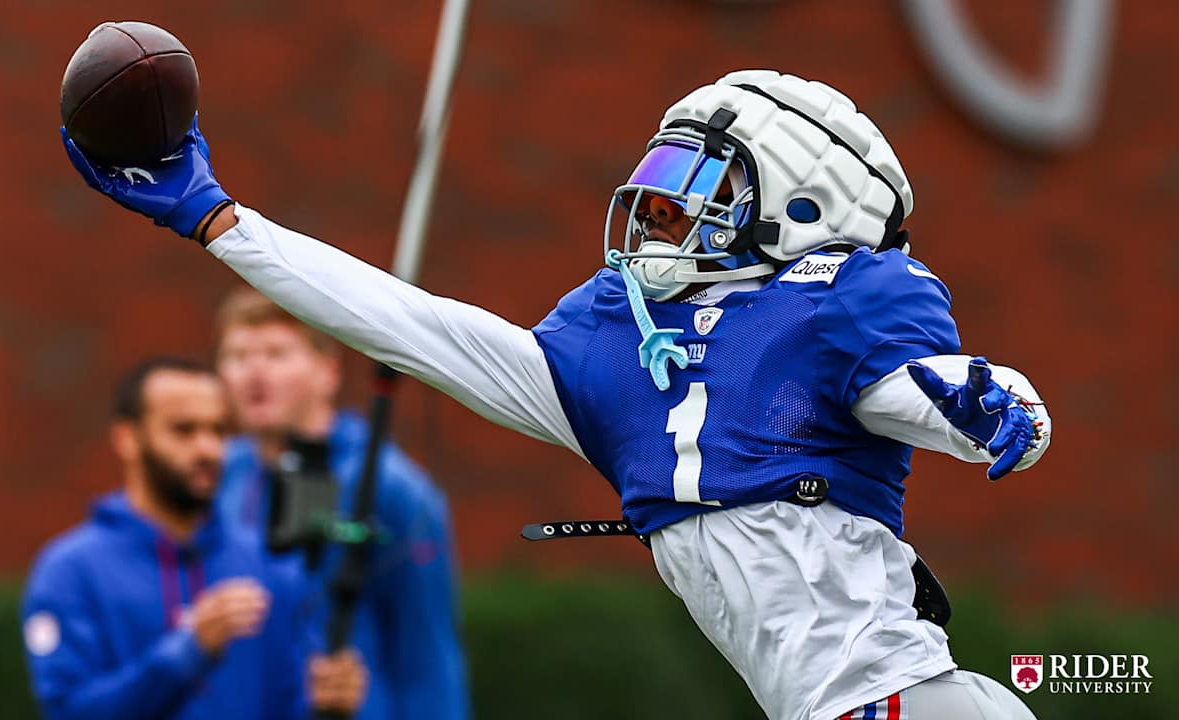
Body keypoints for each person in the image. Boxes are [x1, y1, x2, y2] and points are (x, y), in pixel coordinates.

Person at [62, 69, 1052, 720]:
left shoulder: (835, 303)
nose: (656, 206)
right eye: (658, 176)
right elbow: (410, 324)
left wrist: (991, 401)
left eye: (698, 181)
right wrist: (218, 220)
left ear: (799, 205)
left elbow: (917, 392)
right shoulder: (617, 345)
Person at [21, 357, 367, 720]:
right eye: (184, 430)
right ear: (127, 439)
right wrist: (185, 654)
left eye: (218, 430)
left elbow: (286, 706)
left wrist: (329, 708)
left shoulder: (266, 564)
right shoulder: (71, 570)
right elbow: (70, 712)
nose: (207, 449)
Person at [211, 287, 468, 720]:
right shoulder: (220, 477)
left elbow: (426, 656)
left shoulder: (393, 488)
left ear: (327, 371)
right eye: (237, 355)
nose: (254, 373)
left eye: (276, 354)